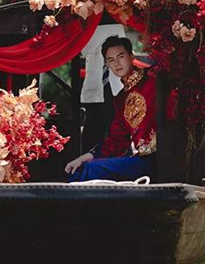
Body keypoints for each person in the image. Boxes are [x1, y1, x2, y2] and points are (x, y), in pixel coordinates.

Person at [65, 35, 156, 182]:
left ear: (131, 56)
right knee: (80, 169)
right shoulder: (120, 99)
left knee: (89, 170)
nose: (117, 64)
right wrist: (84, 157)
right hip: (143, 160)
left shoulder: (153, 79)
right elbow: (116, 141)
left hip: (165, 155)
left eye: (121, 56)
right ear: (107, 64)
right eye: (111, 60)